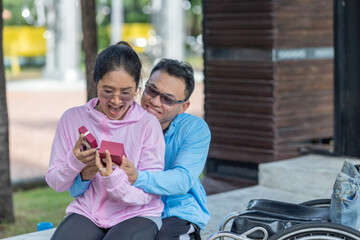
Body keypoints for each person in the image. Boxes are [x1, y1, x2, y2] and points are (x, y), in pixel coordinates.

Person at [70, 58, 211, 240]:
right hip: (126, 210)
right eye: (151, 90)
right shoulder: (119, 118)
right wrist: (84, 173)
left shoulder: (194, 129)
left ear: (183, 106)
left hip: (176, 211)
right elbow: (81, 186)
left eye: (167, 99)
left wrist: (136, 176)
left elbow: (182, 179)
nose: (154, 102)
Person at [46, 41, 165, 240]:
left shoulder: (147, 125)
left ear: (137, 87)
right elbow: (56, 183)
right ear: (95, 80)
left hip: (137, 213)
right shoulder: (72, 118)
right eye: (107, 91)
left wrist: (113, 179)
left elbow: (149, 193)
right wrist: (76, 162)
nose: (116, 101)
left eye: (126, 92)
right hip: (88, 212)